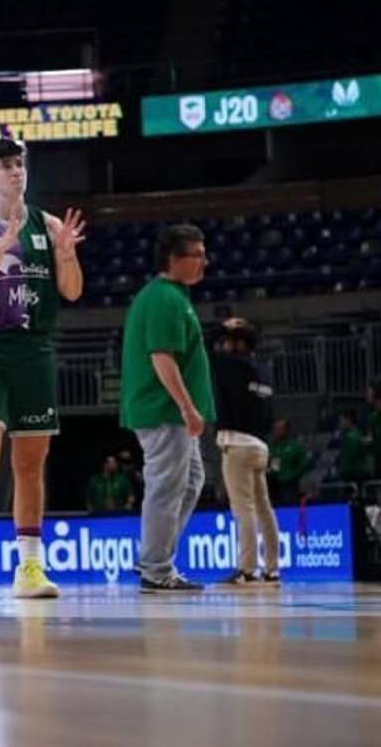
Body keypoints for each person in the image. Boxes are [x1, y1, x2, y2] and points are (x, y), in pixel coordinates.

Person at [0, 138, 85, 600]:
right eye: (6, 166)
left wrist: (66, 254)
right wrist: (1, 247)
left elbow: (71, 291)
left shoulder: (49, 226)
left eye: (19, 164)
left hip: (35, 350)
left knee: (31, 463)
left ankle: (30, 567)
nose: (16, 172)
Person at [121, 224, 213, 593]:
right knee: (166, 487)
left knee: (191, 482)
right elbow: (161, 357)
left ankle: (153, 558)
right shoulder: (164, 298)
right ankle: (156, 569)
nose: (204, 262)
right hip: (163, 410)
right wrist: (188, 407)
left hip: (170, 412)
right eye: (198, 256)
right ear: (175, 260)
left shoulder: (174, 296)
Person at [210, 317, 280, 584]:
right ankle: (272, 568)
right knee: (264, 509)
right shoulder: (263, 371)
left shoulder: (230, 364)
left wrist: (221, 326)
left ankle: (247, 569)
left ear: (237, 343)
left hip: (238, 446)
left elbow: (204, 347)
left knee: (244, 510)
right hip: (260, 446)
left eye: (228, 340)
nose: (224, 344)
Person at [267, 419, 310, 505]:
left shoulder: (296, 446)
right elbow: (274, 464)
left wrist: (291, 476)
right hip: (274, 485)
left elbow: (302, 466)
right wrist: (272, 474)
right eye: (275, 428)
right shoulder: (272, 446)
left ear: (286, 430)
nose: (276, 431)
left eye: (279, 428)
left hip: (290, 485)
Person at [334, 409, 372, 487]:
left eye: (341, 420)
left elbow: (348, 458)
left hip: (354, 475)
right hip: (356, 474)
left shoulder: (351, 437)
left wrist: (341, 472)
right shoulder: (356, 433)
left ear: (348, 420)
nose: (339, 423)